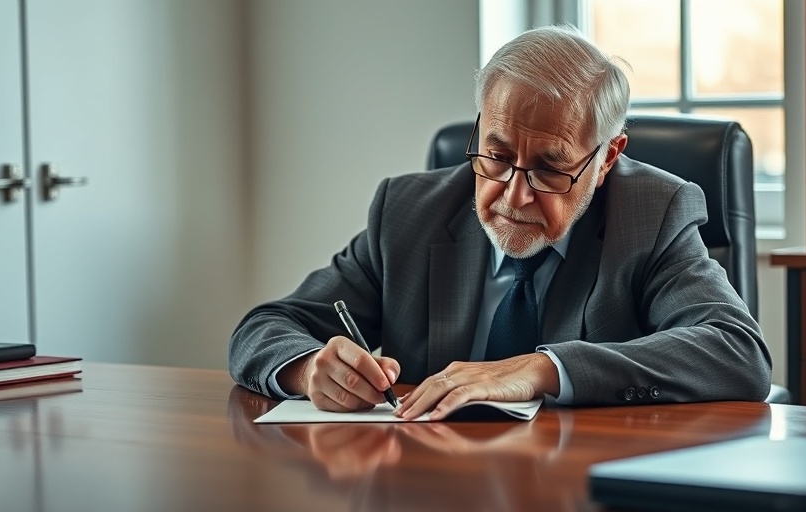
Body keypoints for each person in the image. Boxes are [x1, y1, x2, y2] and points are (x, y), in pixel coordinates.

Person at [228, 25, 772, 420]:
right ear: (481, 129)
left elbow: (737, 352)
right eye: (496, 155)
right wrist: (307, 369)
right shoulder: (408, 212)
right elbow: (262, 328)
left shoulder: (652, 213)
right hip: (431, 480)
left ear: (607, 159)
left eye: (550, 168)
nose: (513, 194)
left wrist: (538, 369)